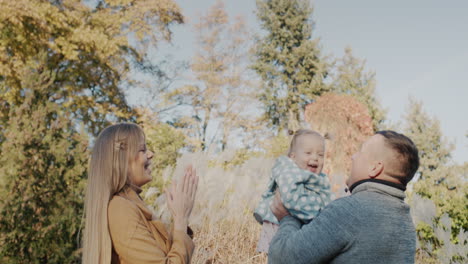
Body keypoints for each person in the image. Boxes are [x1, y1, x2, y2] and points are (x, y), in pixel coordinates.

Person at [268, 130, 420, 264]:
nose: (353, 156)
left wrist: (287, 218)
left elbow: (281, 259)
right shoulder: (406, 224)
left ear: (375, 168)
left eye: (361, 152)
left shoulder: (348, 211)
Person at [82, 123, 198, 264]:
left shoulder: (131, 206)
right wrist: (181, 218)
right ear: (121, 160)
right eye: (142, 150)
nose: (150, 154)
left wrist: (179, 219)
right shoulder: (120, 209)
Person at [254, 129, 332, 253]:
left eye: (320, 154)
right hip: (277, 226)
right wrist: (316, 214)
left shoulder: (319, 179)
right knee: (275, 256)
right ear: (293, 157)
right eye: (308, 152)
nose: (315, 158)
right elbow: (291, 199)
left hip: (296, 227)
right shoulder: (288, 172)